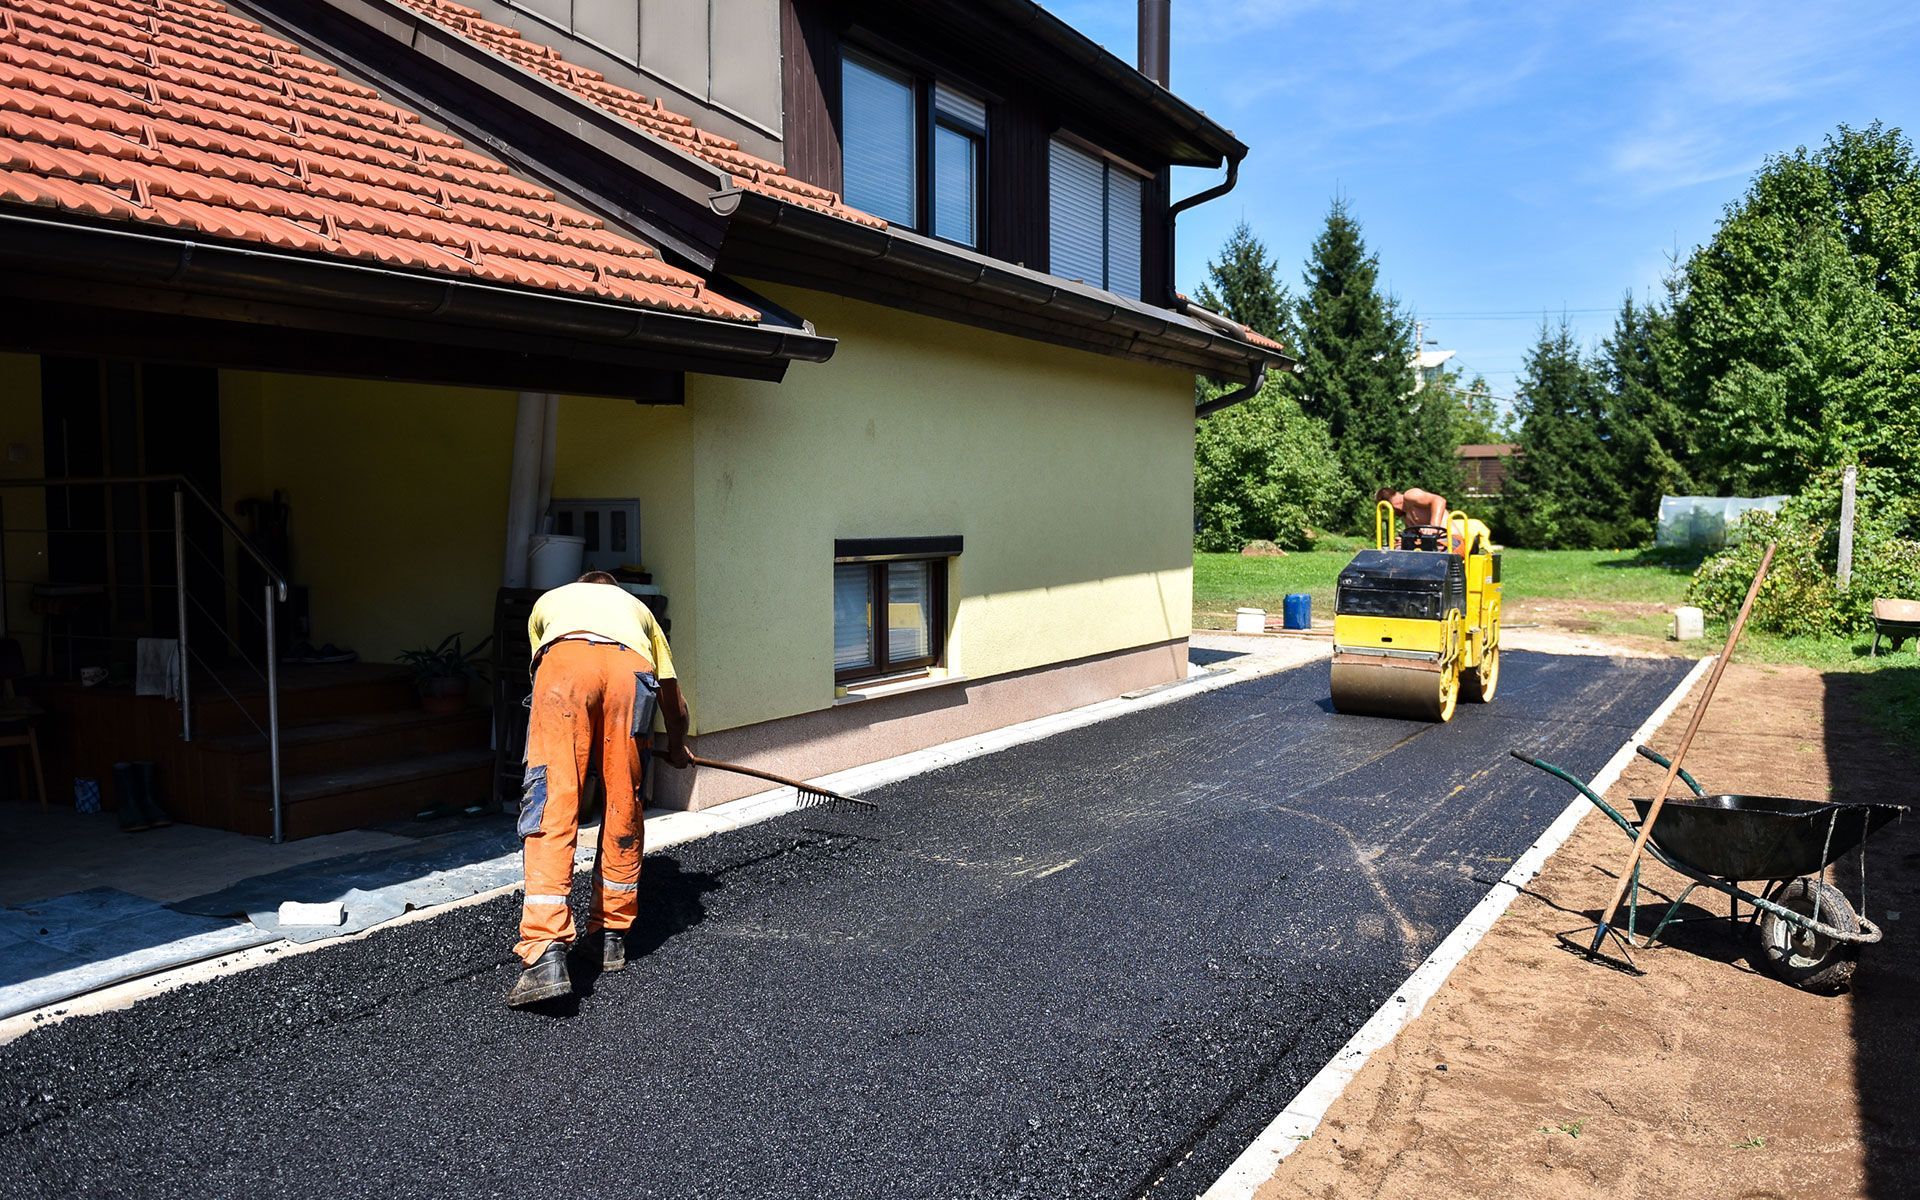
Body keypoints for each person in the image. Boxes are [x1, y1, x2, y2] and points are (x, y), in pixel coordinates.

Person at [507, 570, 691, 1008]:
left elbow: (544, 671)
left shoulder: (551, 601)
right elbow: (673, 700)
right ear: (614, 590)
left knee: (553, 799)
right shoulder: (639, 611)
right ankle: (610, 936)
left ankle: (545, 951)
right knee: (624, 800)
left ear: (582, 584)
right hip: (632, 673)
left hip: (565, 665)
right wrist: (679, 746)